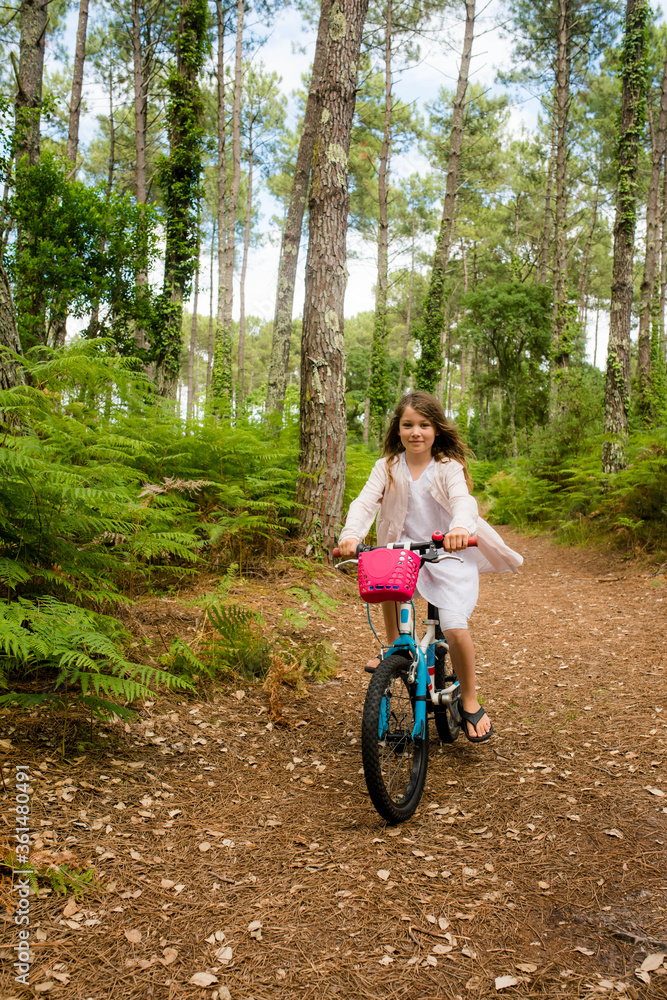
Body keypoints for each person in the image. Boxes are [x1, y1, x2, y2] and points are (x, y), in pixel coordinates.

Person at [337, 391, 522, 743]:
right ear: (398, 429)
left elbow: (462, 501)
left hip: (447, 552)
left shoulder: (448, 467)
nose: (416, 432)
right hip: (404, 552)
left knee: (453, 627)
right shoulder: (387, 467)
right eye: (408, 425)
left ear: (436, 429)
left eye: (424, 425)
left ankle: (470, 698)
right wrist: (351, 534)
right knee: (384, 582)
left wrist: (459, 529)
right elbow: (364, 503)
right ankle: (396, 650)